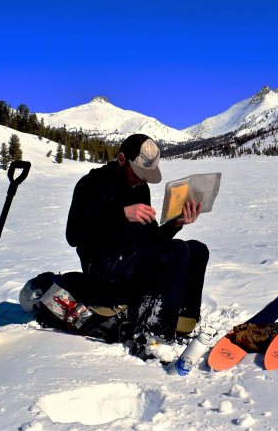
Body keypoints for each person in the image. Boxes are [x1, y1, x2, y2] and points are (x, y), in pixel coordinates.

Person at [65, 133, 209, 351]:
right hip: (104, 270)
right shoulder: (91, 185)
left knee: (197, 250)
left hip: (131, 263)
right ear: (122, 159)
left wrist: (175, 224)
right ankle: (154, 338)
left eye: (146, 177)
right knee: (177, 250)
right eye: (139, 175)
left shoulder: (140, 189)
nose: (141, 181)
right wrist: (121, 214)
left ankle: (183, 323)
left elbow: (148, 241)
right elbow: (74, 235)